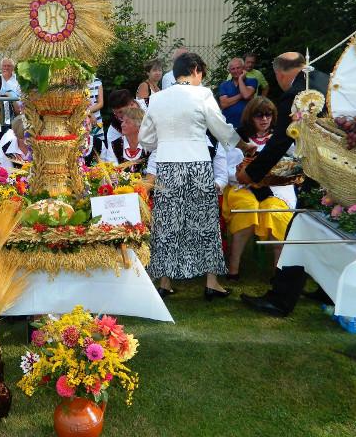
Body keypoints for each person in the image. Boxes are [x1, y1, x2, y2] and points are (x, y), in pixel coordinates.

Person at [138, 52, 256, 300]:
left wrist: (167, 141)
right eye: (201, 72)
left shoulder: (157, 98)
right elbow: (221, 129)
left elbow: (145, 139)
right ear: (194, 70)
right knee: (205, 224)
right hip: (197, 164)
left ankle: (164, 282)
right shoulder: (202, 94)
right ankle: (212, 282)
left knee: (167, 224)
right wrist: (244, 146)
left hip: (167, 166)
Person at [237, 52, 330, 317]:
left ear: (279, 73)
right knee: (329, 232)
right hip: (338, 172)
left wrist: (251, 173)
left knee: (298, 233)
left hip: (320, 174)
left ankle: (280, 300)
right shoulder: (326, 80)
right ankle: (328, 289)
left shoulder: (297, 95)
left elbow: (279, 143)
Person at [218, 96, 296, 280]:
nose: (264, 119)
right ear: (250, 117)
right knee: (247, 209)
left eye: (268, 115)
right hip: (241, 187)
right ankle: (233, 268)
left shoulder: (282, 138)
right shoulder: (236, 138)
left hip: (276, 189)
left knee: (276, 213)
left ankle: (278, 272)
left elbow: (294, 165)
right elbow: (225, 169)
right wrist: (241, 174)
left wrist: (273, 175)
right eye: (259, 115)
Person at [104, 107, 155, 175]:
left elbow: (153, 173)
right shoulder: (115, 144)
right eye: (122, 121)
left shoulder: (151, 145)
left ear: (139, 126)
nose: (122, 125)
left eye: (127, 122)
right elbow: (112, 171)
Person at [219, 57, 258, 128]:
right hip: (228, 124)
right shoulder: (224, 85)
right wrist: (241, 95)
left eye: (238, 68)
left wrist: (240, 79)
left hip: (246, 123)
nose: (236, 71)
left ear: (243, 68)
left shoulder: (252, 81)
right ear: (229, 71)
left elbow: (246, 95)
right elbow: (224, 104)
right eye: (233, 69)